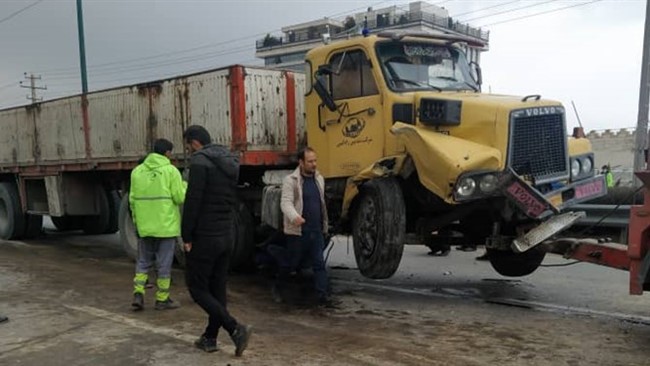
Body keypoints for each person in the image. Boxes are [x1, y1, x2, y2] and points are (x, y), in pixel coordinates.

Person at [181, 125, 253, 357]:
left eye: (188, 146)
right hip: (226, 235)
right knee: (217, 288)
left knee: (197, 288)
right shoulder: (229, 162)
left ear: (194, 143)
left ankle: (235, 328)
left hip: (206, 236)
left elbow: (193, 201)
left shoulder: (200, 162)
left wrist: (187, 236)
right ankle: (210, 338)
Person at [130, 138, 186, 311]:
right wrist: (185, 185)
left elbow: (132, 201)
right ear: (167, 153)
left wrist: (137, 224)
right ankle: (162, 298)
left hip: (145, 226)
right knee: (164, 263)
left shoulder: (137, 172)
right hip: (165, 227)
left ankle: (138, 293)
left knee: (143, 260)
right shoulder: (171, 171)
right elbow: (179, 197)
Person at [278, 147, 334, 307]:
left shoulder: (319, 179)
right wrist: (294, 217)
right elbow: (285, 202)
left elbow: (320, 203)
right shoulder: (291, 180)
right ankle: (280, 288)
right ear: (301, 162)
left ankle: (322, 297)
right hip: (298, 231)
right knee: (292, 263)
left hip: (315, 230)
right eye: (310, 161)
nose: (314, 164)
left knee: (319, 264)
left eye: (315, 160)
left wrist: (325, 225)